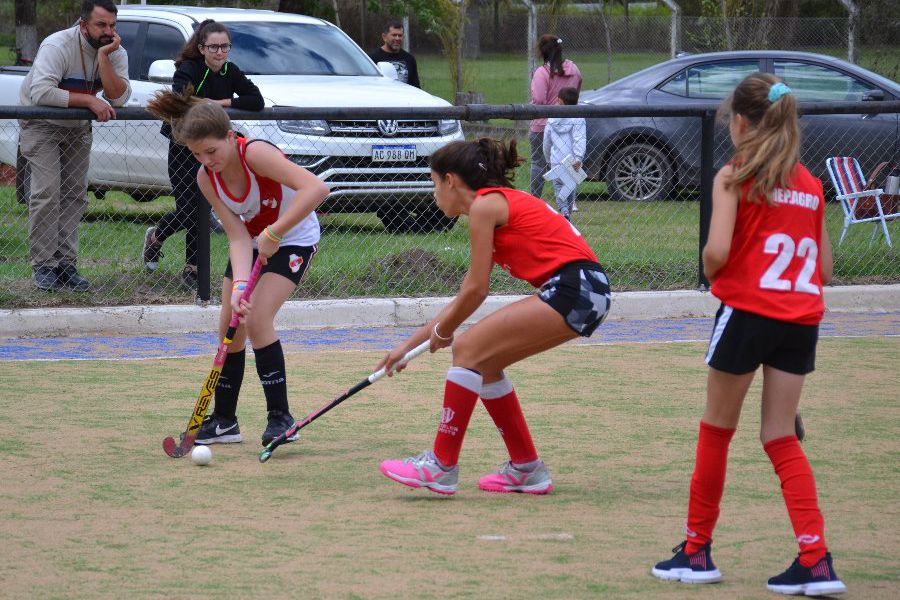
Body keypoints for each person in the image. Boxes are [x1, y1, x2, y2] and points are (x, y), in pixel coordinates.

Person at [650, 74, 847, 596]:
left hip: (747, 312)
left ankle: (696, 551)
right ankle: (816, 558)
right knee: (780, 436)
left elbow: (715, 254)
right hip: (802, 319)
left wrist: (721, 269)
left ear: (739, 123)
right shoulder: (810, 183)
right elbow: (825, 268)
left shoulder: (734, 174)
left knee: (717, 429)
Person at [376, 138, 611, 496]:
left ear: (451, 181)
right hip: (585, 290)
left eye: (433, 182)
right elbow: (466, 295)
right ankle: (526, 468)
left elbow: (476, 291)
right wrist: (408, 346)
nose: (434, 192)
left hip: (574, 288)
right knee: (483, 363)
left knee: (468, 349)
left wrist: (446, 330)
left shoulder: (486, 206)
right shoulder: (492, 205)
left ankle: (441, 466)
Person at [146, 90, 328, 446]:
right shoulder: (205, 177)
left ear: (230, 136)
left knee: (257, 318)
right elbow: (238, 237)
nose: (206, 160)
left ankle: (281, 419)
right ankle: (226, 421)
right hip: (253, 239)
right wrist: (242, 283)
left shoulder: (255, 154)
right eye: (197, 154)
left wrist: (276, 231)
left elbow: (316, 188)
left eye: (211, 151)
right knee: (230, 323)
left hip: (295, 237)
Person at [142, 20, 264, 289]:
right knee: (187, 211)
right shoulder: (189, 69)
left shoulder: (231, 71)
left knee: (202, 208)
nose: (220, 53)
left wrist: (221, 103)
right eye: (214, 47)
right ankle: (156, 237)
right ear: (201, 48)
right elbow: (181, 99)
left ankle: (193, 268)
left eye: (225, 47)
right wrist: (202, 104)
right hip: (185, 147)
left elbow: (256, 100)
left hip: (213, 149)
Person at [19, 0, 130, 291]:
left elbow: (119, 98)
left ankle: (66, 264)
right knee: (47, 192)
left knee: (74, 195)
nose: (109, 31)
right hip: (41, 123)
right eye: (101, 25)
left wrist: (105, 58)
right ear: (83, 25)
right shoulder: (58, 45)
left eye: (113, 26)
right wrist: (90, 100)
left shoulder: (115, 51)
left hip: (77, 127)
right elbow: (41, 91)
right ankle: (44, 266)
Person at [529, 35, 581, 199]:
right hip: (569, 125)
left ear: (542, 52)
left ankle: (535, 198)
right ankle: (569, 200)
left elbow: (539, 100)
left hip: (543, 126)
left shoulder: (542, 73)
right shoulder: (574, 70)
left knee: (539, 163)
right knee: (569, 163)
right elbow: (576, 92)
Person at [542, 86, 585, 220]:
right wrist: (578, 157)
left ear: (559, 100)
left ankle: (564, 211)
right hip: (572, 161)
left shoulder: (552, 119)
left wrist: (547, 157)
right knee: (570, 187)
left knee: (559, 187)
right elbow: (580, 139)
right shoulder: (578, 118)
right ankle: (568, 212)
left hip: (556, 159)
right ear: (576, 101)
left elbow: (547, 141)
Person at [367, 20, 420, 88]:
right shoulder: (372, 58)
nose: (397, 38)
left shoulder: (409, 59)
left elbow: (416, 86)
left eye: (400, 35)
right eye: (394, 35)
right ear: (384, 37)